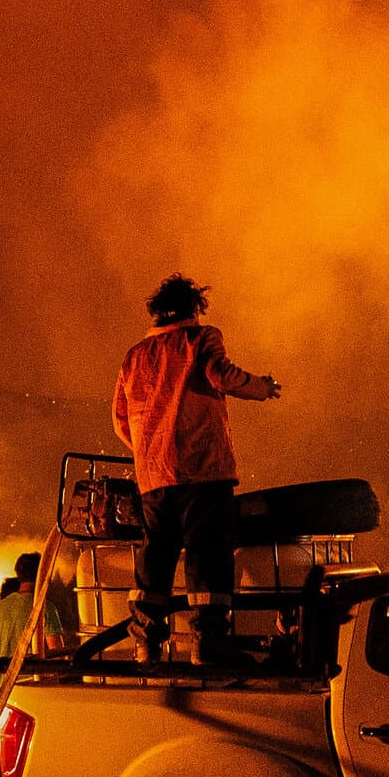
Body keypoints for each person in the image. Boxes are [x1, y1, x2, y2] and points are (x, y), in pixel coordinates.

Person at [111, 273, 280, 665]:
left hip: (154, 478)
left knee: (155, 557)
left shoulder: (134, 356)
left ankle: (146, 644)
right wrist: (262, 387)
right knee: (207, 554)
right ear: (193, 309)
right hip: (203, 470)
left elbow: (120, 419)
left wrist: (150, 453)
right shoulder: (201, 338)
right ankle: (207, 643)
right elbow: (221, 375)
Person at [0, 551, 68, 707]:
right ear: (41, 574)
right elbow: (58, 655)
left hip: (4, 694)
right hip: (33, 693)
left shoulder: (0, 608)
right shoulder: (45, 608)